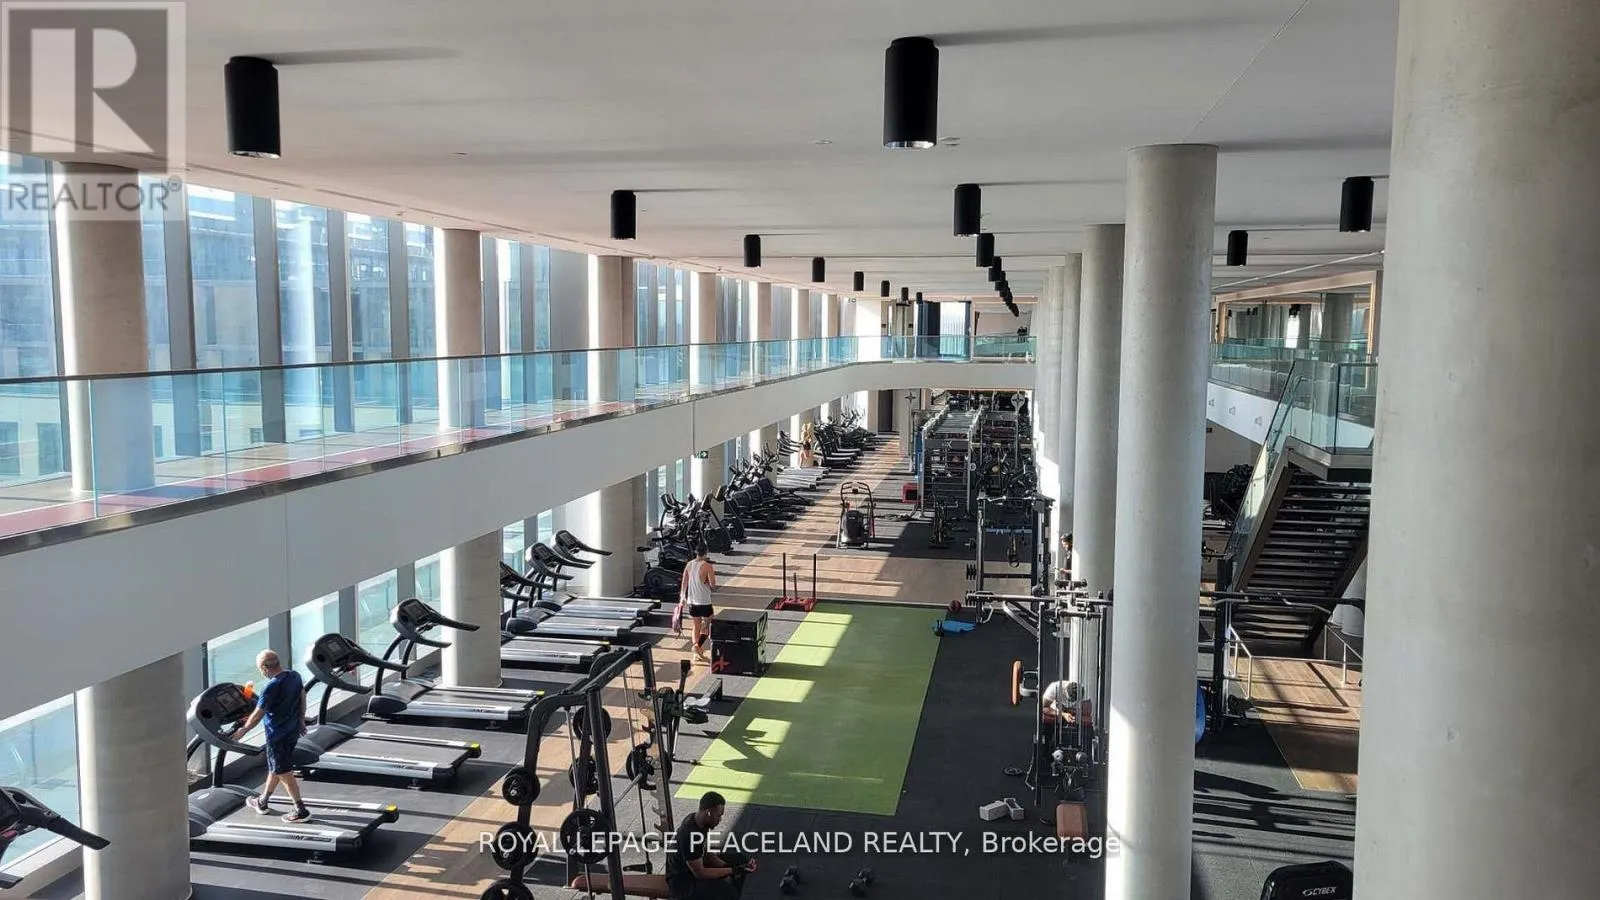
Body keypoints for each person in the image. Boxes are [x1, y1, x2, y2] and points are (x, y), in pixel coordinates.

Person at [228, 650, 311, 823]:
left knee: (283, 771)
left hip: (277, 736)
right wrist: (301, 719)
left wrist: (243, 730)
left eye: (260, 669)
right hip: (292, 731)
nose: (261, 672)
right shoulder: (294, 676)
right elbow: (302, 695)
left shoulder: (271, 686)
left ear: (265, 667)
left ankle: (301, 810)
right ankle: (262, 801)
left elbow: (258, 713)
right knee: (276, 767)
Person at [666, 791, 754, 900]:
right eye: (718, 816)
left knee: (741, 860)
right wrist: (732, 870)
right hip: (683, 884)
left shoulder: (700, 822)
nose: (720, 820)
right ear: (708, 813)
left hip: (694, 868)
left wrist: (727, 866)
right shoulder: (690, 836)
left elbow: (706, 853)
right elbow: (701, 873)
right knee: (728, 892)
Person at [680, 545, 717, 662]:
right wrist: (706, 581)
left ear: (696, 552)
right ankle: (697, 646)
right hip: (704, 600)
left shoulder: (689, 565)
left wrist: (682, 598)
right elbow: (713, 585)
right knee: (708, 623)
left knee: (696, 625)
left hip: (692, 600)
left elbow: (684, 583)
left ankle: (697, 652)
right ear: (706, 552)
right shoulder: (707, 566)